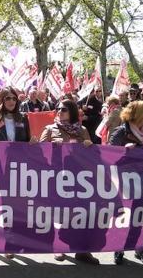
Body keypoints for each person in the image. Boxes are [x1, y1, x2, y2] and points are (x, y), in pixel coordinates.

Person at [39, 99, 99, 265]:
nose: (59, 111)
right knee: (60, 213)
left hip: (79, 178)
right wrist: (52, 145)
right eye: (58, 109)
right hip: (57, 176)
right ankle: (59, 247)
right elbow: (39, 150)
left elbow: (92, 155)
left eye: (63, 109)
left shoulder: (83, 130)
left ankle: (82, 251)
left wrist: (89, 145)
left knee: (80, 214)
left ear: (72, 111)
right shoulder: (50, 129)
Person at [0, 87, 36, 259]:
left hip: (17, 167)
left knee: (12, 206)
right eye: (8, 99)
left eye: (14, 98)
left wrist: (32, 142)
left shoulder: (23, 118)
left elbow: (26, 141)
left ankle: (10, 244)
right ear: (2, 101)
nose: (11, 101)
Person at [109, 101, 143, 266]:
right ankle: (119, 248)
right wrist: (123, 150)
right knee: (125, 216)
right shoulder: (120, 132)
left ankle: (140, 247)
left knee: (141, 216)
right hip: (126, 181)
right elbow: (108, 156)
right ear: (138, 114)